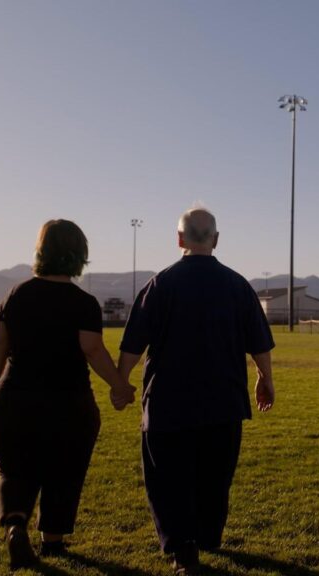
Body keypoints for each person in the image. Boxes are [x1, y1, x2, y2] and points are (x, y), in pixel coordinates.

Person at [119, 206, 275, 575]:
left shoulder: (160, 284)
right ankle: (204, 535)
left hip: (168, 404)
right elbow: (259, 343)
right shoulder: (238, 286)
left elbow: (133, 343)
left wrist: (121, 382)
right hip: (222, 403)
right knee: (213, 477)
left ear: (179, 239)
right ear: (216, 240)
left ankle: (183, 549)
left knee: (168, 479)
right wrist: (265, 379)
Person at [0, 219, 137, 570]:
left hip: (12, 399)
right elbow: (93, 350)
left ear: (41, 251)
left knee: (12, 469)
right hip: (68, 404)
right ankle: (52, 541)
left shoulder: (14, 295)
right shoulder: (83, 303)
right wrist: (119, 385)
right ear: (79, 255)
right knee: (65, 471)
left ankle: (14, 525)